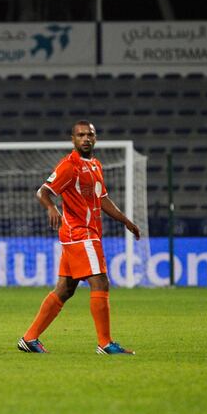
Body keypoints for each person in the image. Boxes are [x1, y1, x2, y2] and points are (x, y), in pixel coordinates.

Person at [17, 120, 141, 355]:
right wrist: (51, 208)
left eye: (90, 134)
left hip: (84, 233)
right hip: (80, 233)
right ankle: (105, 343)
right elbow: (43, 191)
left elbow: (101, 198)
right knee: (100, 282)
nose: (86, 138)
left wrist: (125, 221)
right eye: (81, 135)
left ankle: (29, 338)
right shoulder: (70, 165)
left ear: (95, 138)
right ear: (72, 139)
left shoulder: (95, 164)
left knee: (65, 289)